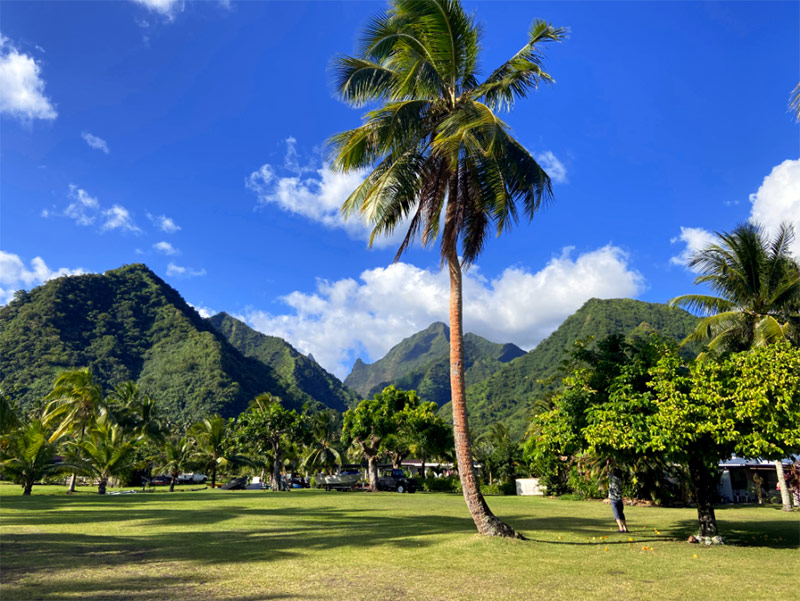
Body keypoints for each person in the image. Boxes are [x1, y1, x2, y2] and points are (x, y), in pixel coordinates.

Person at [609, 464, 628, 532]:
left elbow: (607, 471)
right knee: (621, 513)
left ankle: (621, 528)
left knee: (616, 514)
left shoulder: (612, 478)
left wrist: (608, 464)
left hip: (613, 499)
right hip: (619, 499)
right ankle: (625, 527)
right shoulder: (621, 479)